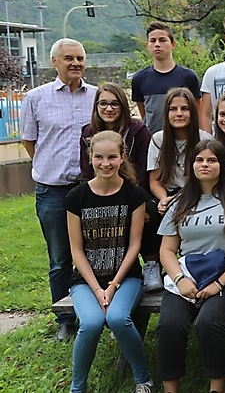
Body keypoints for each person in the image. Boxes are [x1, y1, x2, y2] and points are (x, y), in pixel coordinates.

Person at [157, 139, 225, 393]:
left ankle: (217, 387)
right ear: (191, 165)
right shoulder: (179, 202)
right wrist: (180, 280)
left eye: (212, 160)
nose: (205, 165)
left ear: (222, 165)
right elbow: (166, 250)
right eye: (199, 160)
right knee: (169, 324)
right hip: (188, 274)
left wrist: (218, 284)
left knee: (209, 322)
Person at [64, 131, 153, 393]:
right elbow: (76, 250)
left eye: (112, 157)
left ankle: (143, 379)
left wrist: (113, 286)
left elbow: (134, 245)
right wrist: (97, 289)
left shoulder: (134, 195)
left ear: (122, 157)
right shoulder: (76, 198)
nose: (106, 163)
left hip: (126, 277)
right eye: (99, 157)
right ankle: (77, 387)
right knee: (91, 323)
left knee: (118, 318)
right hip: (86, 280)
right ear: (90, 158)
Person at [20, 37, 97, 341]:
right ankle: (65, 319)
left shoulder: (97, 96)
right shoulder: (35, 98)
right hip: (53, 191)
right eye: (69, 58)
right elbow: (29, 141)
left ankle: (97, 311)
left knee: (98, 251)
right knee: (60, 258)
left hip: (91, 189)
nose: (76, 63)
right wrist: (49, 166)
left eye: (80, 58)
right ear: (54, 62)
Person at [79, 82, 161, 292]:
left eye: (115, 104)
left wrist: (133, 204)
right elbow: (87, 173)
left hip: (134, 192)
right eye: (103, 103)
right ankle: (96, 269)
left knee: (150, 212)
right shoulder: (87, 133)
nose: (109, 108)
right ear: (96, 106)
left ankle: (152, 264)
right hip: (100, 194)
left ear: (123, 106)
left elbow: (143, 173)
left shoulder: (138, 131)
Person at [148, 87, 213, 216]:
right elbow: (154, 181)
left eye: (184, 109)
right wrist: (163, 199)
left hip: (198, 192)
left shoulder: (205, 139)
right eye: (173, 109)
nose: (179, 114)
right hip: (169, 194)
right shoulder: (158, 139)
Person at [131, 21, 202, 134]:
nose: (157, 44)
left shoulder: (188, 76)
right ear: (147, 45)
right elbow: (145, 114)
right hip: (153, 140)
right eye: (153, 41)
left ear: (173, 44)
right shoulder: (139, 78)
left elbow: (197, 112)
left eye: (162, 40)